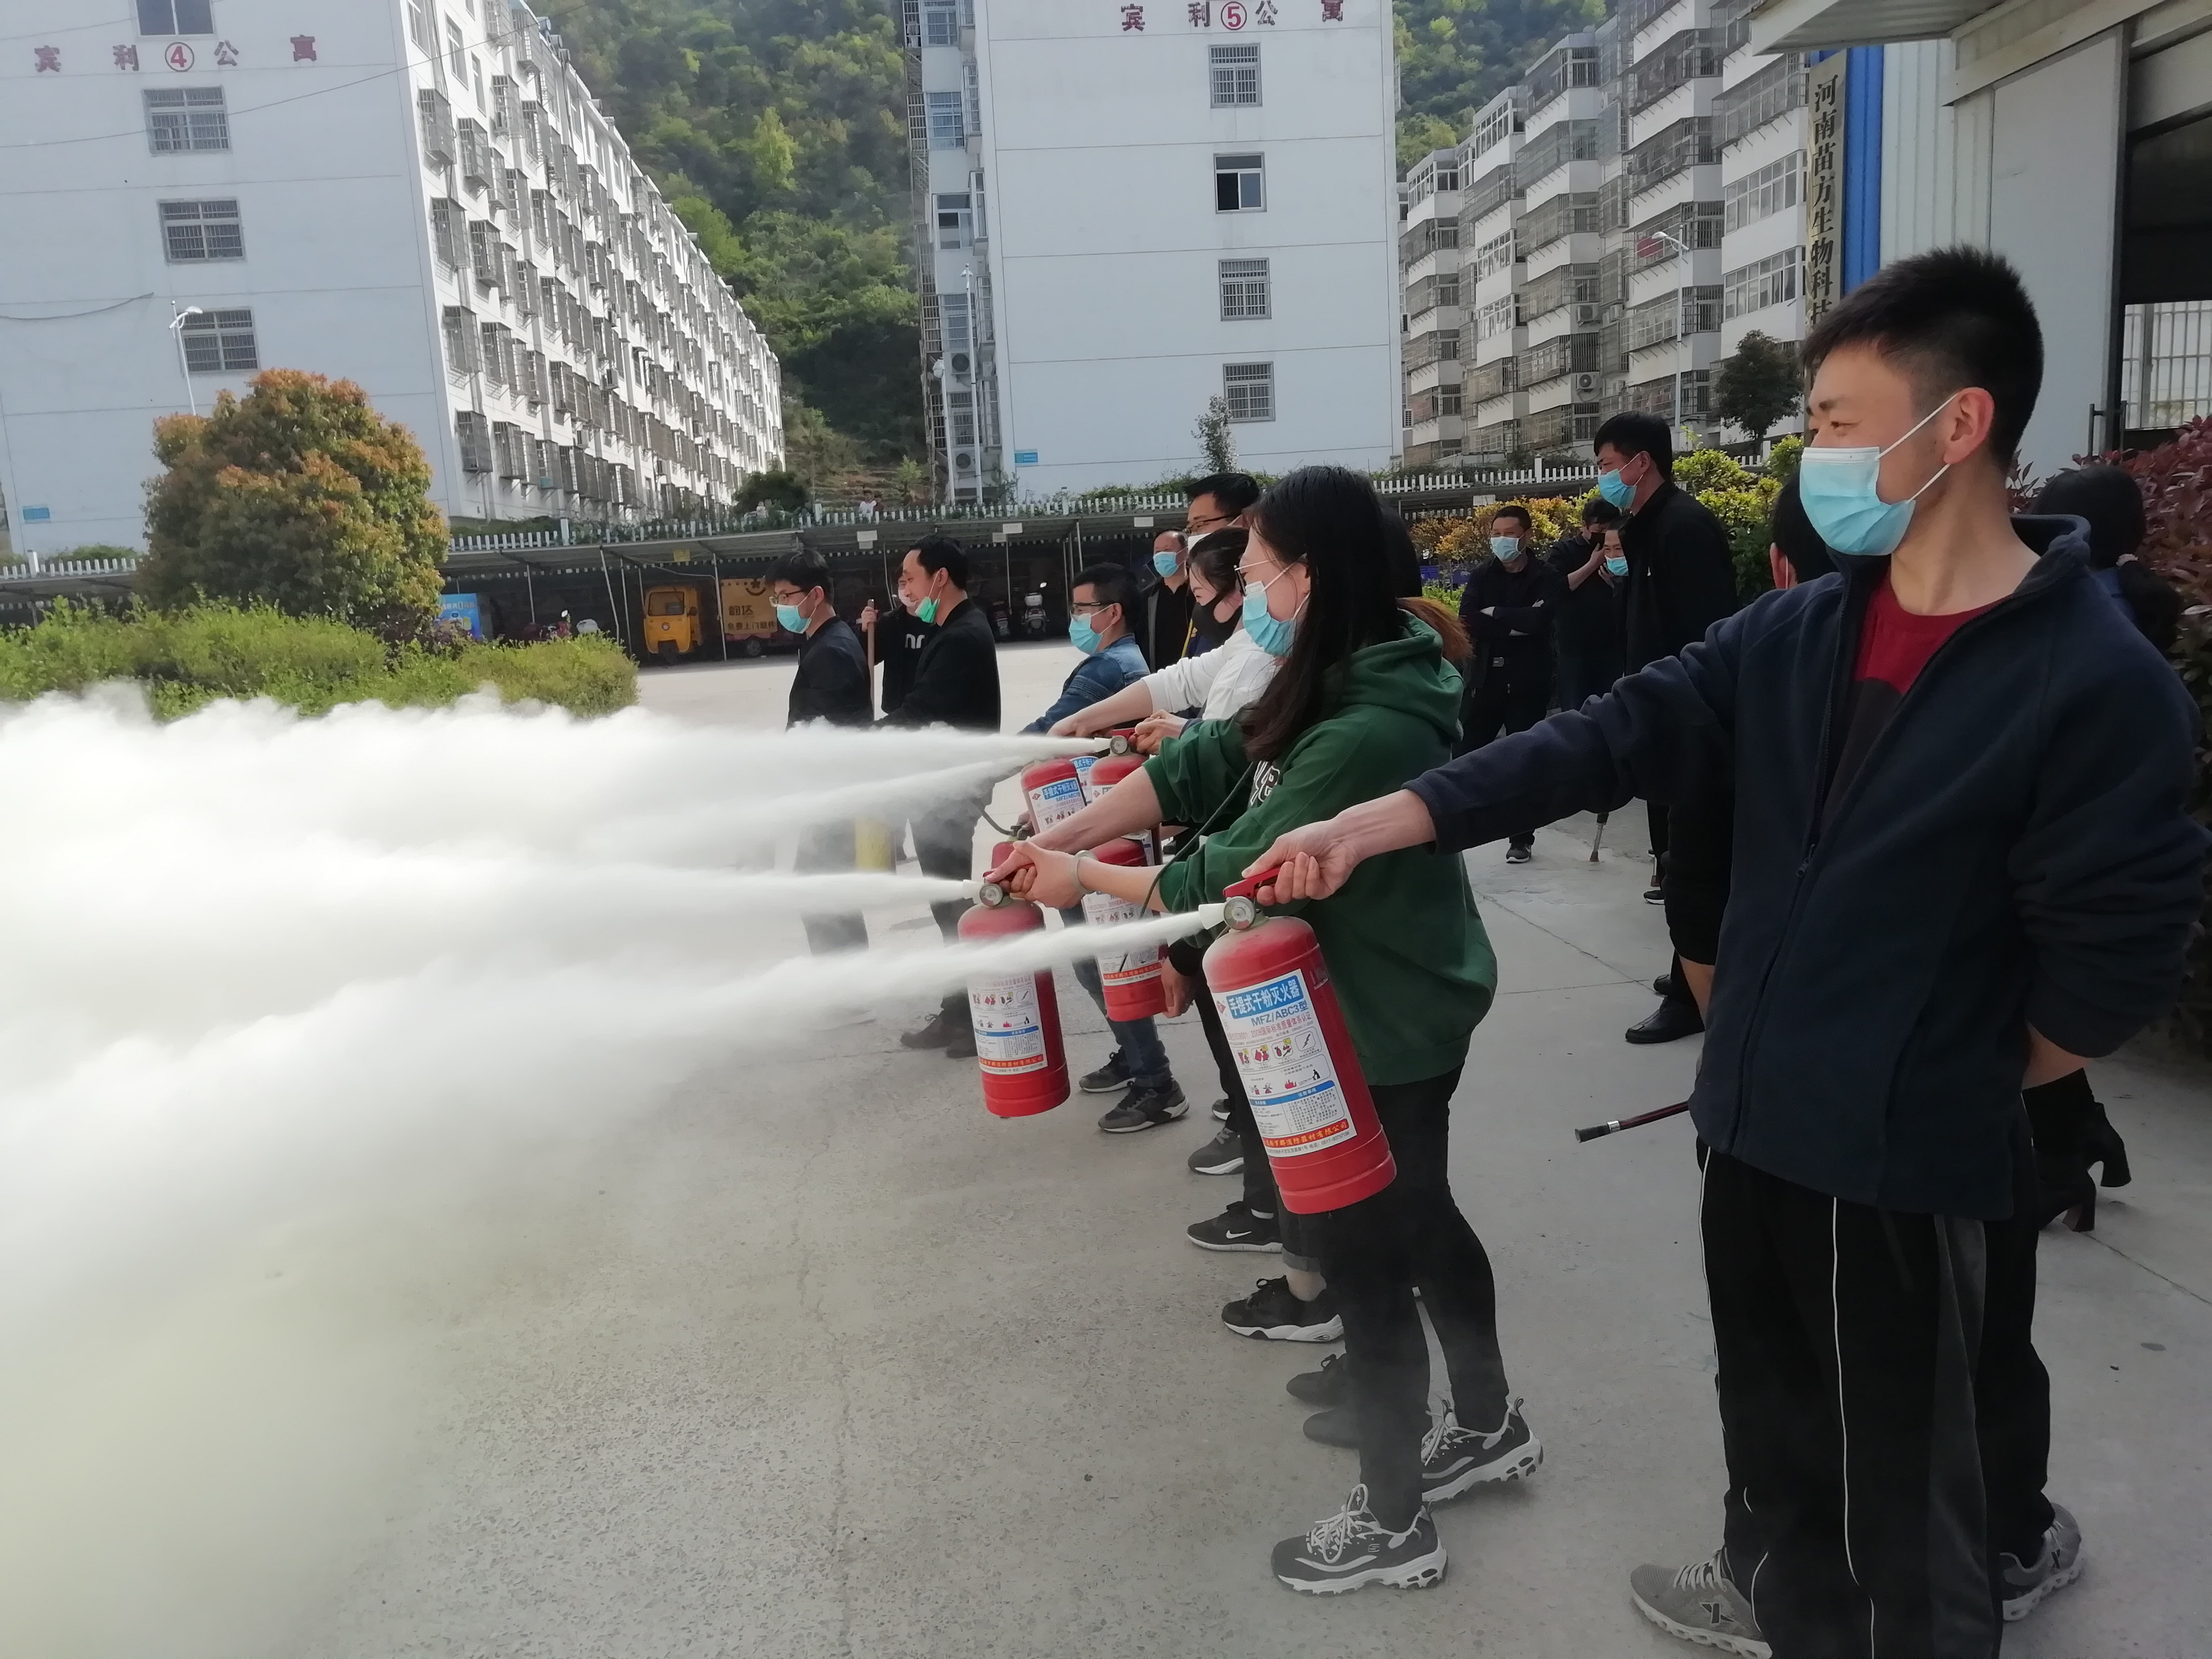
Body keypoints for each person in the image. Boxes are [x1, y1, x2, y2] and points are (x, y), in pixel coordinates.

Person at [1240, 247, 2208, 1657]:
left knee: (1903, 1522)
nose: (1814, 451)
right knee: (1775, 1448)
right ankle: (1774, 1599)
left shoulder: (2090, 679)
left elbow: (2111, 965)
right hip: (1750, 1126)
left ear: (1959, 425)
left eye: (1834, 421)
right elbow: (1611, 732)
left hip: (1898, 1167)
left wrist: (1929, 1074)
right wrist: (1386, 819)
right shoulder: (1804, 629)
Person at [1004, 466, 1536, 1596]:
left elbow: (1228, 876)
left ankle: (1394, 1520)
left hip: (1378, 1019)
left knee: (1367, 1260)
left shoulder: (1368, 727)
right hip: (1374, 1002)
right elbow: (1198, 767)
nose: (1243, 590)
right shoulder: (1334, 674)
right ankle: (1489, 1424)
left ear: (1312, 575)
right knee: (1422, 1220)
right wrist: (1061, 839)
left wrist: (1083, 879)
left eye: (1256, 570)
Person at [1048, 531, 1279, 1188]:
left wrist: (1076, 863)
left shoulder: (1294, 662)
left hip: (1234, 865)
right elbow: (1182, 683)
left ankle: (1257, 1158)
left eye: (1250, 578)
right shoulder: (1252, 643)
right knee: (1221, 1013)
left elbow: (1239, 753)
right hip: (1214, 848)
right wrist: (1089, 720)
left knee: (1241, 1018)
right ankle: (1247, 1128)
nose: (1201, 603)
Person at [1021, 563, 1186, 1132]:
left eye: (1081, 608)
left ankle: (1155, 1083)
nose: (1074, 618)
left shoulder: (1110, 668)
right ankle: (1133, 1056)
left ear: (1112, 613)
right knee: (1101, 962)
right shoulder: (1121, 662)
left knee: (1105, 962)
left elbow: (1049, 732)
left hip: (1101, 838)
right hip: (1095, 825)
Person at [1592, 409, 1738, 1044]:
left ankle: (1691, 997)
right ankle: (1687, 966)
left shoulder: (1684, 527)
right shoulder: (1643, 530)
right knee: (1671, 855)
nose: (1602, 477)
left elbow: (1705, 632)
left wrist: (1687, 716)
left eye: (1606, 465)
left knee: (1691, 870)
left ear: (1640, 462)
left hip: (1692, 722)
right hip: (1656, 713)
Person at [880, 537, 1002, 1059]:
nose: (904, 589)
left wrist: (857, 742)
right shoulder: (951, 629)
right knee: (945, 903)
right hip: (939, 789)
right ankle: (960, 1012)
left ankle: (974, 1016)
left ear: (940, 578)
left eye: (910, 578)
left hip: (951, 793)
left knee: (953, 907)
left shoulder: (961, 636)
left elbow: (921, 711)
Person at [772, 550, 873, 960]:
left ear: (815, 595)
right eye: (777, 598)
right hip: (828, 794)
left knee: (824, 895)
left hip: (833, 796)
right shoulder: (827, 641)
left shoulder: (833, 650)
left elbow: (825, 734)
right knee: (827, 894)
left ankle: (846, 982)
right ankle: (848, 979)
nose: (781, 606)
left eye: (786, 596)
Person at [1456, 503, 1566, 862]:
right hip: (1486, 678)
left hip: (1528, 681)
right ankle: (1457, 823)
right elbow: (1468, 620)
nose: (1502, 540)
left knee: (1524, 760)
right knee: (1466, 752)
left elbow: (1541, 621)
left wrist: (1497, 615)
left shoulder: (1546, 575)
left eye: (1510, 534)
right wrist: (1515, 623)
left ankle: (1521, 839)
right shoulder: (1482, 575)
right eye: (1496, 534)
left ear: (1527, 536)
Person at [1140, 472, 1260, 668]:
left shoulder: (1265, 600)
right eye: (1191, 529)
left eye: (1200, 525)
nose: (1194, 537)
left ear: (1244, 521)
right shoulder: (1207, 594)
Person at [1548, 497, 1624, 709]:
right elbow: (1556, 589)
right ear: (1584, 526)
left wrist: (1617, 583)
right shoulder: (1564, 551)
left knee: (1610, 707)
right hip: (1575, 646)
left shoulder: (1620, 549)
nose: (1603, 536)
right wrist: (1593, 564)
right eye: (1599, 530)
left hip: (1612, 644)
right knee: (1575, 709)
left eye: (1609, 530)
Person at [864, 585, 935, 717]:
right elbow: (870, 657)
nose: (906, 589)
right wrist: (865, 630)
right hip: (896, 705)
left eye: (910, 581)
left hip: (929, 706)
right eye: (902, 583)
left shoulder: (938, 621)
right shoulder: (889, 621)